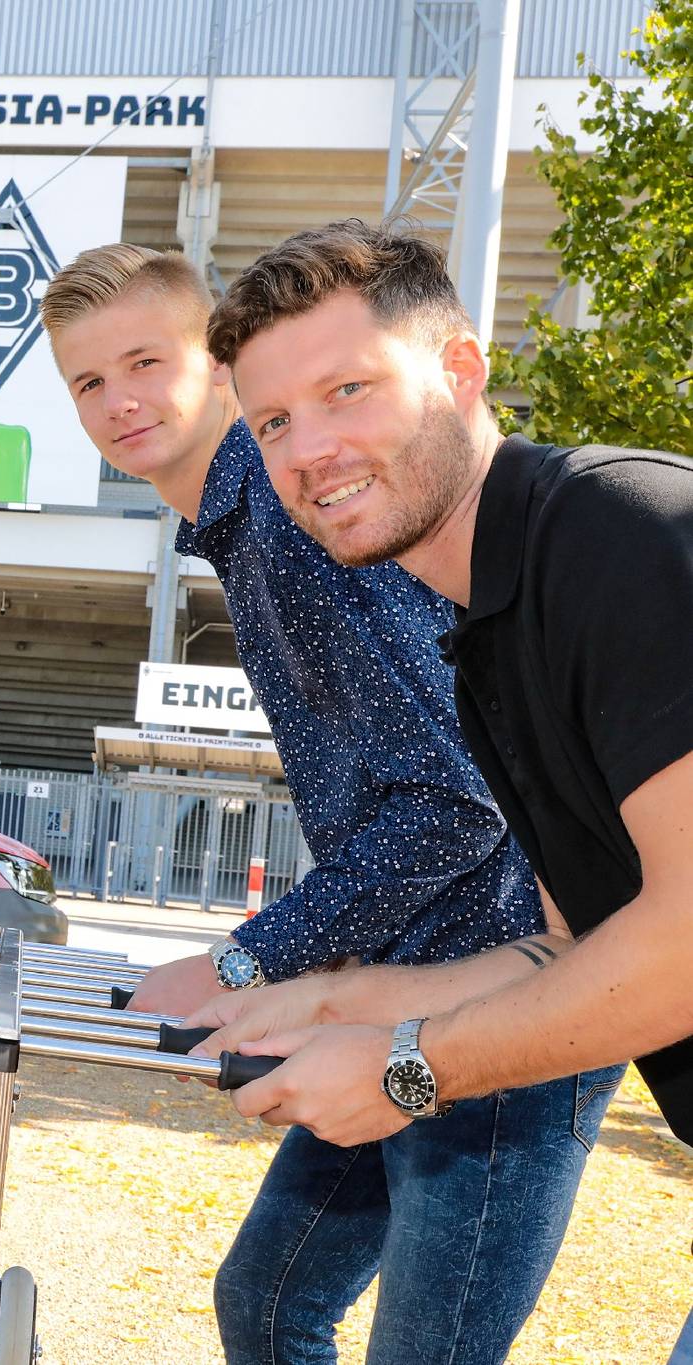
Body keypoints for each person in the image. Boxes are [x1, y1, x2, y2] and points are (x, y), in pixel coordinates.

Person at [41, 243, 620, 1365]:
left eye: (146, 362)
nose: (119, 403)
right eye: (87, 382)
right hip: (392, 985)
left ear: (216, 368)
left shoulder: (290, 522)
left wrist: (250, 960)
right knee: (264, 1305)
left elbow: (455, 801)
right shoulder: (243, 519)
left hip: (502, 1001)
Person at [187, 217, 693, 1354]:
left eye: (349, 387)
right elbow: (566, 948)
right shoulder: (489, 640)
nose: (311, 448)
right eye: (274, 421)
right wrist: (328, 1000)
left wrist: (412, 1069)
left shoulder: (619, 535)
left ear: (463, 369)